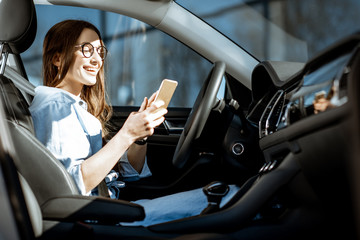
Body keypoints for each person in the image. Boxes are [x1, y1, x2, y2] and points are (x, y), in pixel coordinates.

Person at [29, 20, 238, 226]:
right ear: (57, 58)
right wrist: (126, 134)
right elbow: (68, 187)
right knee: (228, 196)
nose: (97, 60)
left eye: (100, 52)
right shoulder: (56, 108)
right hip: (99, 218)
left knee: (224, 195)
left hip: (111, 208)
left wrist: (140, 137)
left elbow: (128, 172)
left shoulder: (76, 108)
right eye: (86, 50)